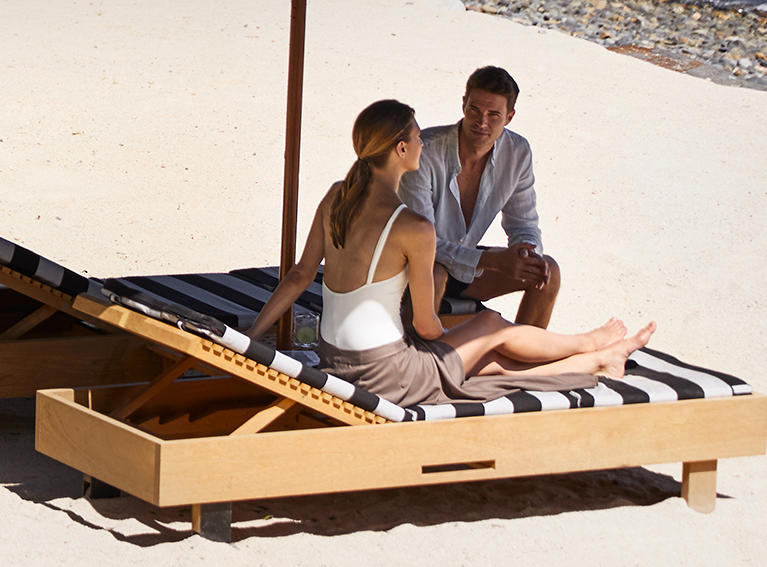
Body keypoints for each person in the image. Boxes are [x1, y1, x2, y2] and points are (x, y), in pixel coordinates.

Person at [247, 99, 653, 409]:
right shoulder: (412, 227)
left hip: (334, 359)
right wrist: (452, 342)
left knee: (485, 358)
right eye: (417, 137)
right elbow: (425, 326)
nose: (423, 143)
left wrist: (250, 338)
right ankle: (589, 344)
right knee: (491, 327)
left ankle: (599, 359)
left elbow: (299, 276)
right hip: (387, 375)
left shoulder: (337, 195)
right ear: (401, 149)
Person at [402, 66, 558, 328]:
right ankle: (414, 350)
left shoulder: (517, 152)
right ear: (463, 104)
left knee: (547, 272)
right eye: (475, 110)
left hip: (465, 266)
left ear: (509, 117)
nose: (481, 122)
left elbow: (524, 223)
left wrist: (526, 253)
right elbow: (421, 243)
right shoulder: (425, 151)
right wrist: (490, 260)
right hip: (413, 265)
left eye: (493, 115)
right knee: (435, 274)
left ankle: (524, 350)